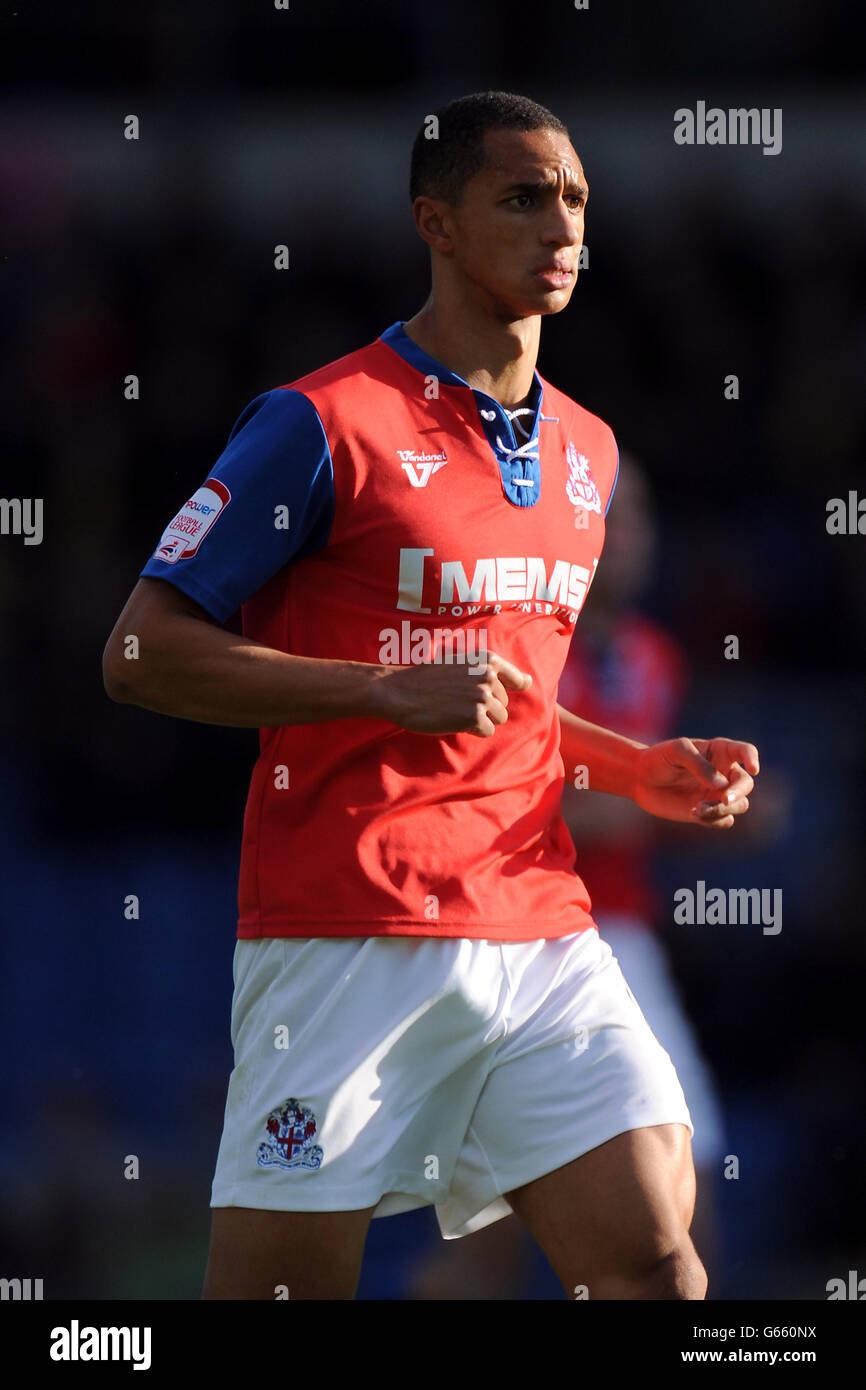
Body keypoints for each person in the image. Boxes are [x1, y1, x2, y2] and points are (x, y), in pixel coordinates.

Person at [102, 90, 759, 1301]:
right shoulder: (318, 423)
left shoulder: (588, 451)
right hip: (348, 932)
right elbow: (138, 653)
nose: (558, 225)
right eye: (519, 197)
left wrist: (631, 767)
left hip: (541, 922)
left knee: (657, 1269)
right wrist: (379, 689)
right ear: (435, 224)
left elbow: (498, 698)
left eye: (571, 199)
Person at [557, 451, 728, 1284]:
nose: (625, 539)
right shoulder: (529, 649)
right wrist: (685, 811)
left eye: (639, 519)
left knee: (689, 1205)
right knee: (479, 1246)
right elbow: (534, 809)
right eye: (607, 520)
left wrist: (702, 806)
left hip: (625, 944)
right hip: (538, 932)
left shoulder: (659, 655)